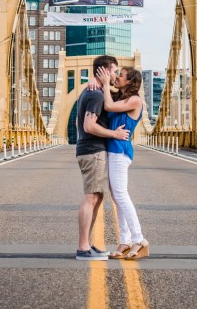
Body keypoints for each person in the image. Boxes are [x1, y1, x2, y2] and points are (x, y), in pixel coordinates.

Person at [75, 55, 130, 261]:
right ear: (104, 71)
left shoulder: (93, 92)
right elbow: (89, 126)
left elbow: (78, 124)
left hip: (91, 150)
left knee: (97, 197)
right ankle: (82, 248)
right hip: (92, 151)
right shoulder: (95, 95)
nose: (116, 75)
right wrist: (114, 134)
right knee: (91, 197)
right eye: (114, 71)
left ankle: (88, 245)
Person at [95, 65, 149, 260]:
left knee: (120, 194)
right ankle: (124, 241)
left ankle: (139, 239)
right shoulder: (120, 97)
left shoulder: (135, 100)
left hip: (120, 151)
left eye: (121, 75)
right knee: (117, 198)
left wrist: (105, 84)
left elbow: (108, 107)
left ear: (130, 82)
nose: (117, 77)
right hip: (112, 150)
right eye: (117, 74)